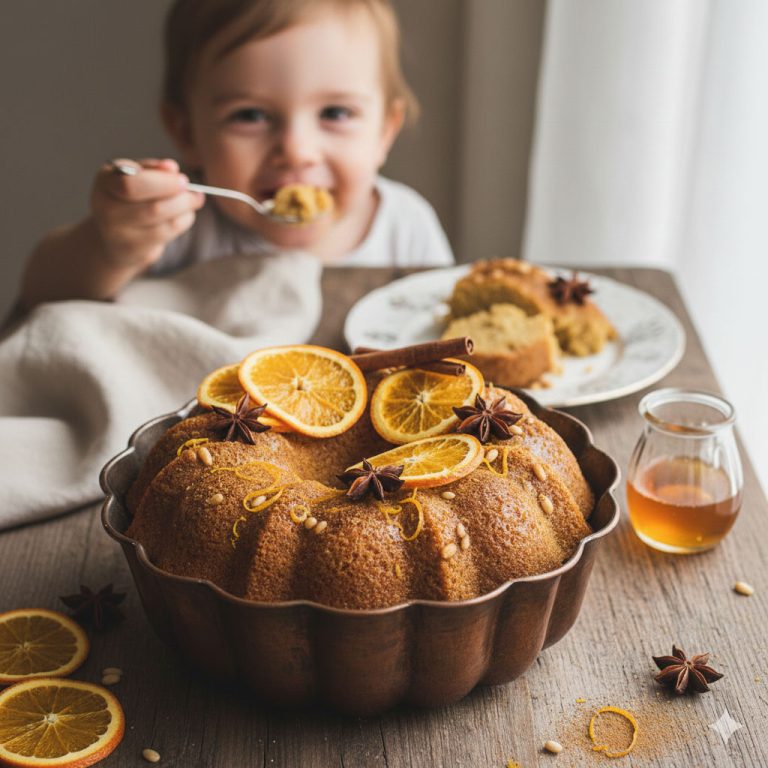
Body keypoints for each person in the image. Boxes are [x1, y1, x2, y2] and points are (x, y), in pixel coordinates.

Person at [17, 0, 454, 314]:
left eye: (335, 113)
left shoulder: (406, 227)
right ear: (185, 132)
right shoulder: (179, 224)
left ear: (384, 132)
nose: (297, 151)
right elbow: (43, 299)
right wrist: (111, 245)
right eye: (251, 116)